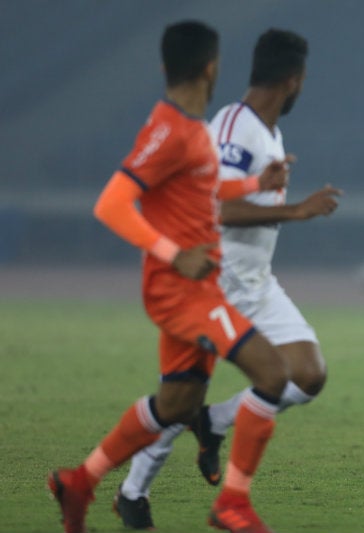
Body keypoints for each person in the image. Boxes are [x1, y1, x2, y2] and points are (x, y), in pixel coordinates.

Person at [47, 21, 295, 533]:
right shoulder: (171, 131)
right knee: (272, 374)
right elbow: (111, 203)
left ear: (166, 66)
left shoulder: (191, 129)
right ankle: (233, 504)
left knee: (177, 404)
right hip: (181, 290)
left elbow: (202, 191)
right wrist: (173, 253)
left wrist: (255, 182)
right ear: (212, 66)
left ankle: (81, 480)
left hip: (197, 286)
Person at [111, 29, 341, 530]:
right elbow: (215, 206)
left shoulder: (269, 132)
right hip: (215, 280)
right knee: (179, 398)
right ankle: (132, 492)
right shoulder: (234, 126)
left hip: (256, 282)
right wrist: (298, 211)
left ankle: (213, 424)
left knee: (308, 373)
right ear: (294, 80)